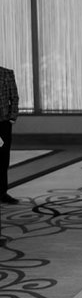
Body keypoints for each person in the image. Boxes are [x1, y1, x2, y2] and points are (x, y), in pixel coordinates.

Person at [0, 66, 19, 204]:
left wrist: (12, 117)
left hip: (3, 123)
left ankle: (2, 192)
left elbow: (14, 97)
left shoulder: (7, 73)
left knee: (2, 158)